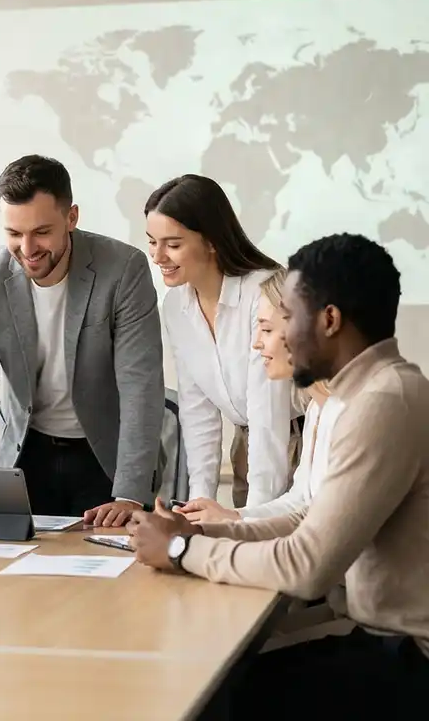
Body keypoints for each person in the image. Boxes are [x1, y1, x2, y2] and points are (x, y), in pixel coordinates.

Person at [130, 234, 429, 714]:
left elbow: (306, 568)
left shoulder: (382, 402)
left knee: (212, 693)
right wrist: (204, 531)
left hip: (407, 656)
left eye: (288, 317)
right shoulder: (365, 394)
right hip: (381, 639)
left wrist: (183, 549)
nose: (268, 338)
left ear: (329, 321)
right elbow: (310, 512)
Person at [0, 154, 164, 526]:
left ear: (72, 218)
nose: (28, 248)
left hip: (105, 458)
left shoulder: (123, 269)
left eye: (41, 232)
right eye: (14, 234)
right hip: (23, 453)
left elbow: (140, 385)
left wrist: (130, 494)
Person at [146, 174, 301, 509]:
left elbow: (268, 412)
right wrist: (200, 501)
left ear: (212, 241)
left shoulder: (262, 293)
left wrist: (256, 518)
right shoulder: (175, 306)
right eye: (152, 242)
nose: (158, 257)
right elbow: (196, 406)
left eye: (173, 244)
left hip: (295, 442)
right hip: (249, 444)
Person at [176, 270, 332, 523]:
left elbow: (326, 527)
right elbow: (299, 501)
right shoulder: (317, 409)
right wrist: (230, 517)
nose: (256, 343)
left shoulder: (355, 412)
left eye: (267, 330)